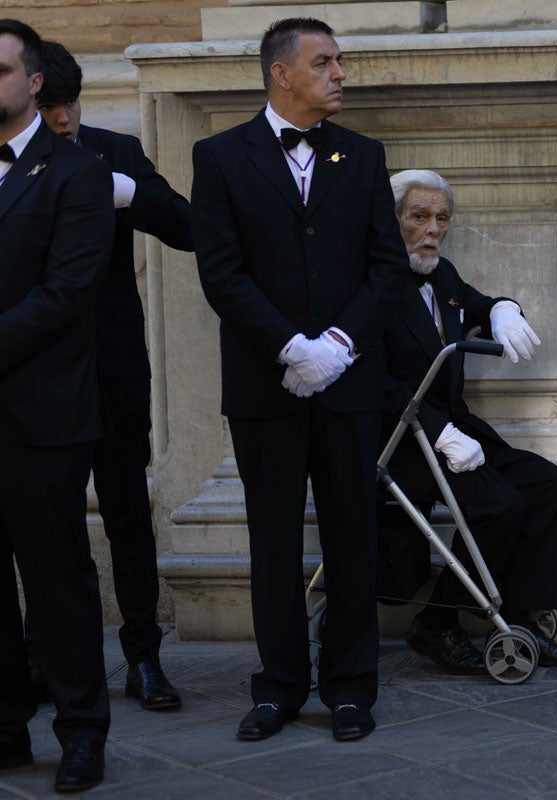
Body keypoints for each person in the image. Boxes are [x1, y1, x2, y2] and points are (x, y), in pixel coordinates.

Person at [190, 17, 407, 743]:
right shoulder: (219, 157)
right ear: (281, 73)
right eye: (325, 61)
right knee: (273, 541)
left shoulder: (365, 155)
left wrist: (339, 344)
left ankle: (350, 687)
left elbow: (387, 267)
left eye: (339, 60)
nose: (340, 72)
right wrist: (290, 348)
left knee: (353, 535)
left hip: (348, 383)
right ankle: (279, 685)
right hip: (265, 384)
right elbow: (221, 272)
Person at [25, 39, 193, 712]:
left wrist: (131, 196)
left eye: (71, 104)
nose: (63, 119)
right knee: (50, 526)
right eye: (50, 105)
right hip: (38, 377)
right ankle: (49, 658)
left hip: (115, 369)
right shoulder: (13, 166)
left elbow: (189, 227)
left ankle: (144, 658)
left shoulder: (114, 152)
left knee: (128, 515)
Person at [379, 169, 557, 672]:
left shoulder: (443, 274)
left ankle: (521, 620)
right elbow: (369, 379)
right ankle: (436, 626)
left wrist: (503, 310)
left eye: (442, 218)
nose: (432, 229)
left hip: (455, 430)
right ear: (391, 221)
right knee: (498, 505)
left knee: (546, 483)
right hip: (399, 440)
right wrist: (437, 432)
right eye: (419, 217)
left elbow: (479, 303)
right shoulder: (372, 283)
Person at [0, 18, 114, 792]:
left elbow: (66, 294)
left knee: (57, 579)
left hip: (42, 414)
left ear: (32, 81)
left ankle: (81, 731)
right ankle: (6, 726)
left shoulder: (76, 174)